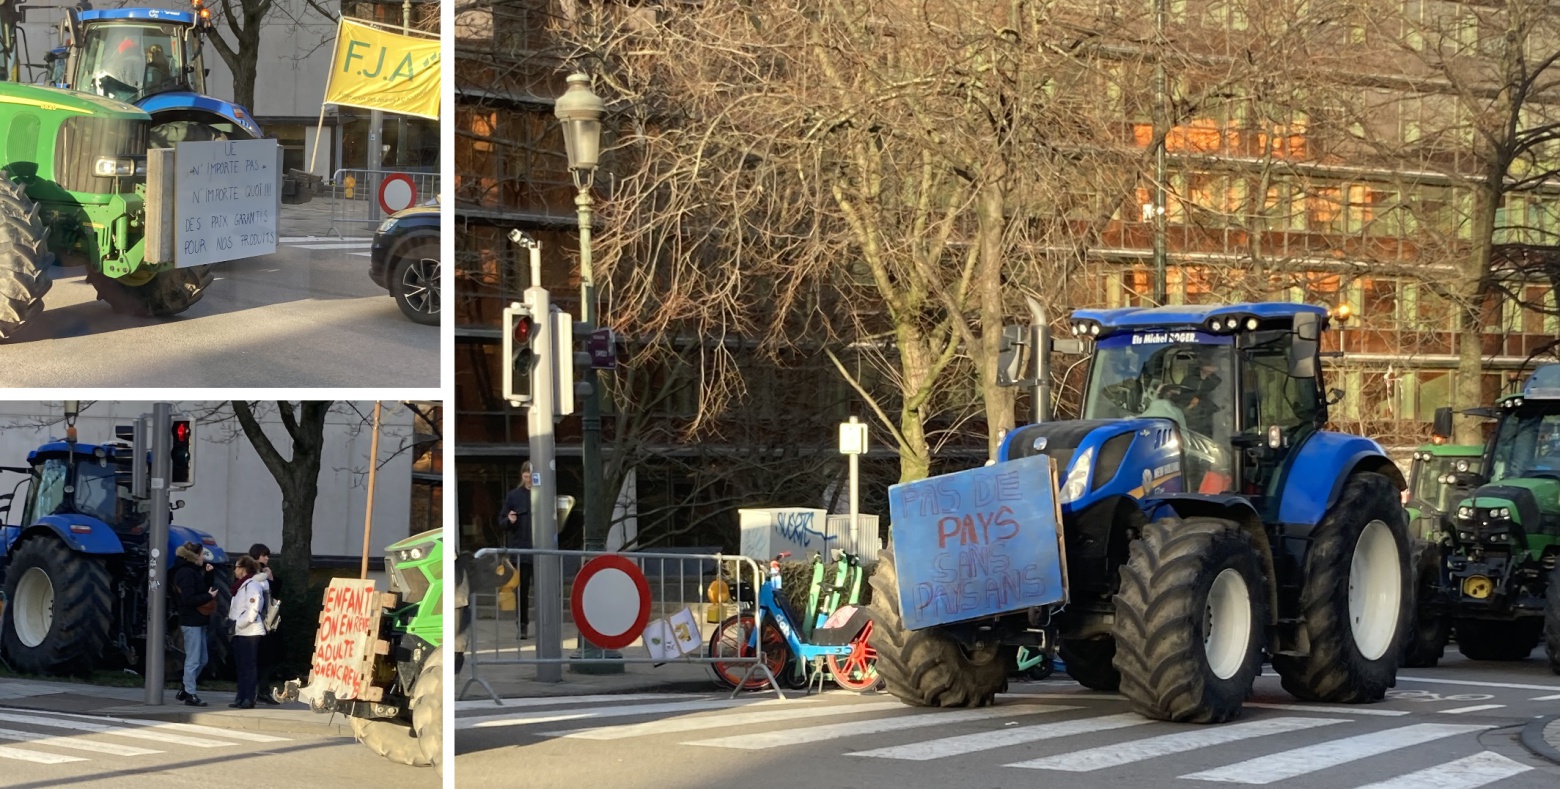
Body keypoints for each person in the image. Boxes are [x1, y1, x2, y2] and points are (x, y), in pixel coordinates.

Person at [170, 542, 216, 707]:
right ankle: (190, 693)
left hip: (198, 620)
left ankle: (185, 688)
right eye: (202, 554)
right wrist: (208, 597)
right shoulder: (185, 573)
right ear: (194, 556)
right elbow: (188, 599)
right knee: (194, 659)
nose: (203, 558)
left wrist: (209, 576)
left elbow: (200, 591)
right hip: (191, 620)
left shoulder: (192, 572)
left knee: (202, 659)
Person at [228, 555, 269, 709]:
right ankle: (241, 696)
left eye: (237, 567)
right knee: (241, 666)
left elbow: (253, 610)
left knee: (249, 666)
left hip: (250, 632)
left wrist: (237, 624)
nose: (235, 570)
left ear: (243, 569)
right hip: (240, 631)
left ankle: (248, 698)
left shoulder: (252, 585)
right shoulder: (241, 585)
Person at [498, 462, 534, 639]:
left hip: (538, 549)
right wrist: (510, 521)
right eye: (525, 476)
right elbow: (502, 521)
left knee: (546, 590)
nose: (528, 480)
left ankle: (544, 623)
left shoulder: (543, 494)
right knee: (522, 590)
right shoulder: (514, 496)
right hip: (521, 550)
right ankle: (523, 624)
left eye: (530, 477)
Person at [248, 543, 282, 705]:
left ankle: (262, 689)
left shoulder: (266, 573)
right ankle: (253, 691)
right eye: (264, 555)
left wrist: (271, 578)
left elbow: (274, 594)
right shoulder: (249, 571)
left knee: (266, 658)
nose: (267, 558)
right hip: (254, 621)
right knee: (255, 657)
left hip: (266, 622)